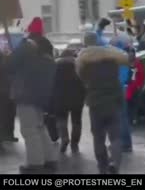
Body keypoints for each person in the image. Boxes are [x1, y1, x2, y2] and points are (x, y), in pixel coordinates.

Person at [7, 17, 58, 174]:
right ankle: (50, 159)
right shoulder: (47, 47)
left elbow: (9, 65)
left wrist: (9, 55)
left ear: (30, 31)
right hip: (41, 94)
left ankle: (35, 163)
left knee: (29, 129)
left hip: (26, 92)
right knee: (39, 127)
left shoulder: (27, 46)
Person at [76, 32, 129, 174]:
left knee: (98, 137)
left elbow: (81, 78)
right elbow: (119, 75)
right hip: (113, 101)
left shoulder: (85, 61)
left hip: (95, 103)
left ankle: (102, 166)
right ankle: (115, 163)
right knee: (115, 136)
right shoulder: (111, 58)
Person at [52, 49, 85, 154]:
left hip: (60, 96)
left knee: (61, 119)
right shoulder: (78, 64)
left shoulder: (55, 64)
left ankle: (64, 138)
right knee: (76, 121)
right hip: (77, 97)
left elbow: (52, 81)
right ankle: (75, 143)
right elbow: (84, 81)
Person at [110, 37, 133, 153]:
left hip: (117, 89)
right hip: (123, 88)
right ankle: (125, 142)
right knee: (122, 116)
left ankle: (123, 143)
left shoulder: (115, 58)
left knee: (119, 117)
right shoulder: (123, 56)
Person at [0, 50, 18, 143]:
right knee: (9, 115)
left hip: (6, 93)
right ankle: (7, 135)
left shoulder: (6, 65)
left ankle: (6, 135)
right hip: (8, 93)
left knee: (6, 115)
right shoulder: (7, 65)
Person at [125, 48, 145, 125]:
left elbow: (142, 75)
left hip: (135, 87)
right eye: (129, 54)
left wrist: (139, 85)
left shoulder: (138, 63)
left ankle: (134, 118)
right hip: (127, 87)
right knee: (127, 104)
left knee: (134, 104)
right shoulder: (124, 63)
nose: (130, 56)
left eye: (132, 55)